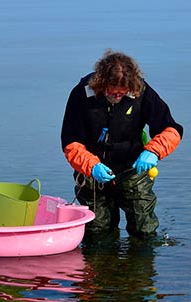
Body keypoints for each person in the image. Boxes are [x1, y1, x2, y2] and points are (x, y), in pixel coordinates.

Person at [61, 50, 183, 237]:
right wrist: (92, 166)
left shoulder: (141, 91)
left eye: (122, 93)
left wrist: (153, 152)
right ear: (101, 84)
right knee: (97, 232)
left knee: (144, 229)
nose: (117, 97)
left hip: (133, 171)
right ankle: (102, 266)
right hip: (93, 174)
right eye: (112, 92)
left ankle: (141, 265)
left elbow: (171, 129)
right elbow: (71, 142)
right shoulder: (82, 94)